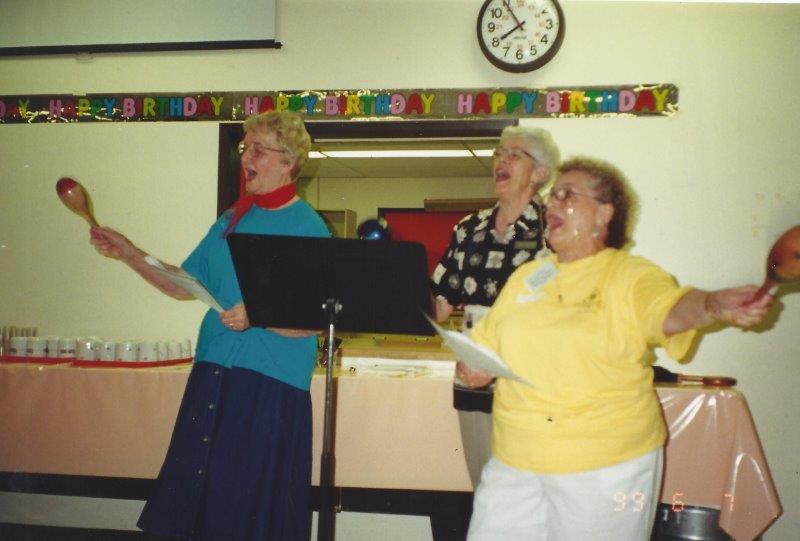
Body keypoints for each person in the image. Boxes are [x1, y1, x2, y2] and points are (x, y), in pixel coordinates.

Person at [459, 157, 773, 540]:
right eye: (551, 196)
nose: (551, 205)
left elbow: (670, 310)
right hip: (514, 460)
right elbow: (485, 345)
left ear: (604, 214)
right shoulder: (528, 277)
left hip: (603, 467)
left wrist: (711, 305)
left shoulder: (629, 275)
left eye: (566, 195)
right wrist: (472, 368)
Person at [89, 111, 330, 540]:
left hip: (268, 387)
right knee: (199, 511)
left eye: (258, 149)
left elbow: (319, 317)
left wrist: (260, 314)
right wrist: (129, 253)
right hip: (213, 373)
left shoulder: (309, 227)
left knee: (244, 516)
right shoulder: (230, 219)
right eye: (245, 148)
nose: (246, 157)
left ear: (289, 161)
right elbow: (185, 285)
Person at [430, 126, 559, 531]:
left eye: (514, 155)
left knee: (530, 497)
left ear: (540, 173)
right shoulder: (469, 229)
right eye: (498, 154)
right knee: (485, 489)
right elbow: (441, 301)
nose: (500, 162)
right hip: (473, 377)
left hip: (531, 381)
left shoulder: (553, 231)